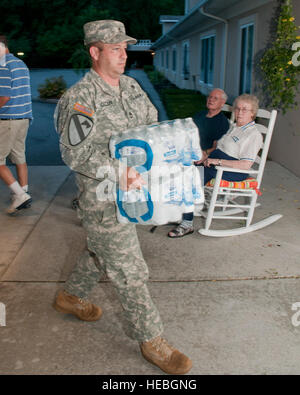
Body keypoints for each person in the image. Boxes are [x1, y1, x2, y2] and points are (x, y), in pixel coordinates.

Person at [53, 20, 192, 375]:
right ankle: (152, 340)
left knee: (101, 253)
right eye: (114, 49)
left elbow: (151, 127)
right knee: (130, 269)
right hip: (103, 201)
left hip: (137, 194)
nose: (123, 55)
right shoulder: (81, 98)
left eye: (125, 48)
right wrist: (119, 170)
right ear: (95, 52)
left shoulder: (131, 86)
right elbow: (74, 155)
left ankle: (70, 297)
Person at [169, 93, 263, 238]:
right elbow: (221, 148)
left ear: (253, 113)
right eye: (237, 108)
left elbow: (245, 165)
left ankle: (186, 224)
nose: (239, 112)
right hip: (216, 162)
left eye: (245, 109)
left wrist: (217, 161)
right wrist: (206, 156)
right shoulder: (234, 127)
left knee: (191, 179)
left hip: (231, 170)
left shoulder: (253, 134)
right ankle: (182, 211)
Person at [168, 88, 229, 238]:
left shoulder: (222, 123)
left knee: (189, 181)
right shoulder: (200, 115)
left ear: (222, 103)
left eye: (215, 98)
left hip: (206, 160)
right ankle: (178, 212)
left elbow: (217, 147)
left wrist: (204, 154)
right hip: (190, 155)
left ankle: (187, 224)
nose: (210, 99)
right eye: (210, 97)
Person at [0, 35, 32, 214]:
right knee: (19, 156)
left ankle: (20, 195)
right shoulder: (21, 64)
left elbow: (4, 97)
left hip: (8, 120)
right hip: (23, 118)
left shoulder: (2, 65)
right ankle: (23, 192)